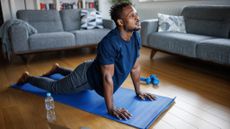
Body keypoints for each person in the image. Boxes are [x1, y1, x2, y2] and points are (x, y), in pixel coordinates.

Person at [17, 2, 156, 120]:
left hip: (95, 68)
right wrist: (111, 108)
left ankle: (57, 69)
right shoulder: (109, 43)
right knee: (55, 87)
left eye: (136, 14)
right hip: (86, 77)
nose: (138, 18)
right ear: (120, 22)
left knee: (76, 81)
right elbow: (107, 77)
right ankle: (28, 78)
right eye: (132, 16)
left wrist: (139, 91)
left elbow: (135, 67)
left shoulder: (135, 36)